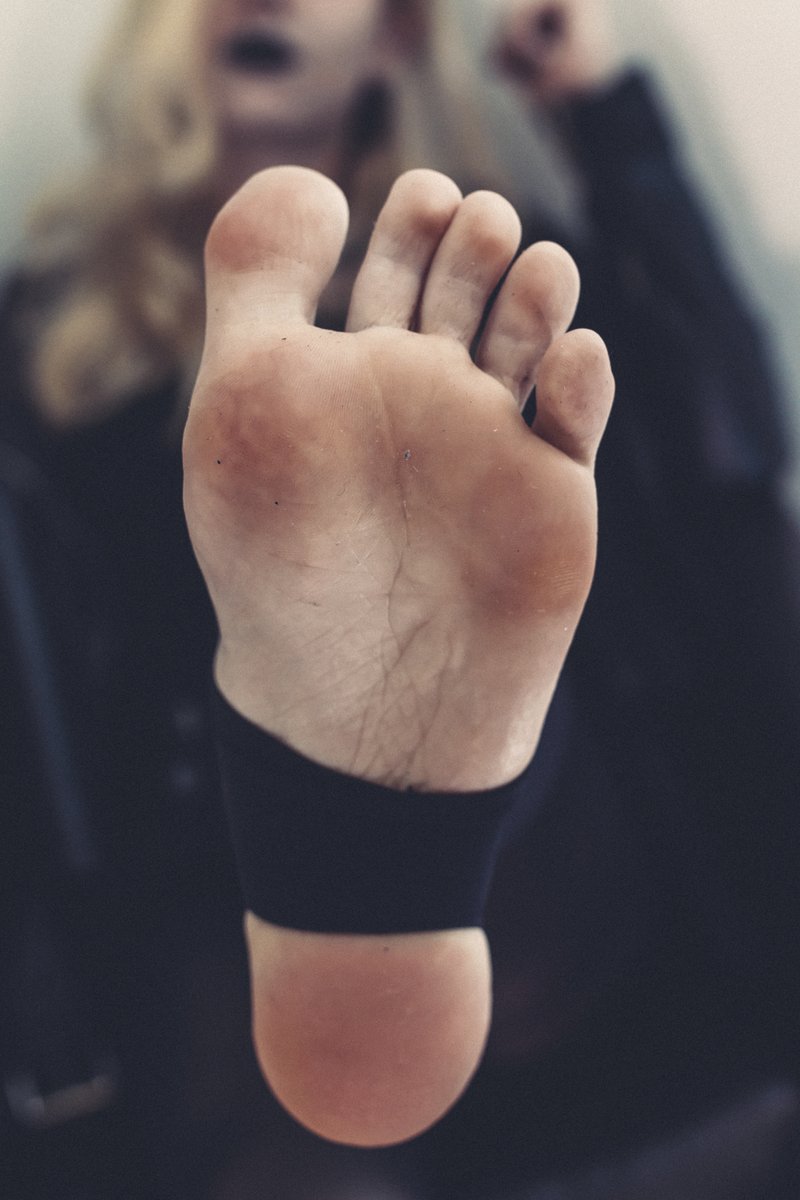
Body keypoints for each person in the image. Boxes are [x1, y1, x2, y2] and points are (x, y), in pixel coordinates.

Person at [2, 0, 799, 1196]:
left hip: (549, 803)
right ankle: (345, 815)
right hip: (198, 839)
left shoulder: (495, 267)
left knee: (510, 659)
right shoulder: (41, 331)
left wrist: (597, 111)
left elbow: (725, 450)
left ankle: (380, 819)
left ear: (392, 40)